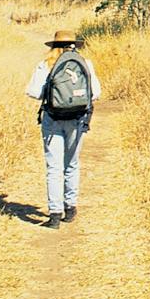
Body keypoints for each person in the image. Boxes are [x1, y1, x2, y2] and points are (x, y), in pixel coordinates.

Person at [25, 30, 100, 229]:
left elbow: (33, 92)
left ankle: (55, 214)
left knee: (54, 167)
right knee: (72, 163)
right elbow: (96, 93)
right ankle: (71, 208)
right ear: (74, 45)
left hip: (53, 118)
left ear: (53, 46)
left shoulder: (45, 65)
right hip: (77, 118)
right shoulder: (85, 63)